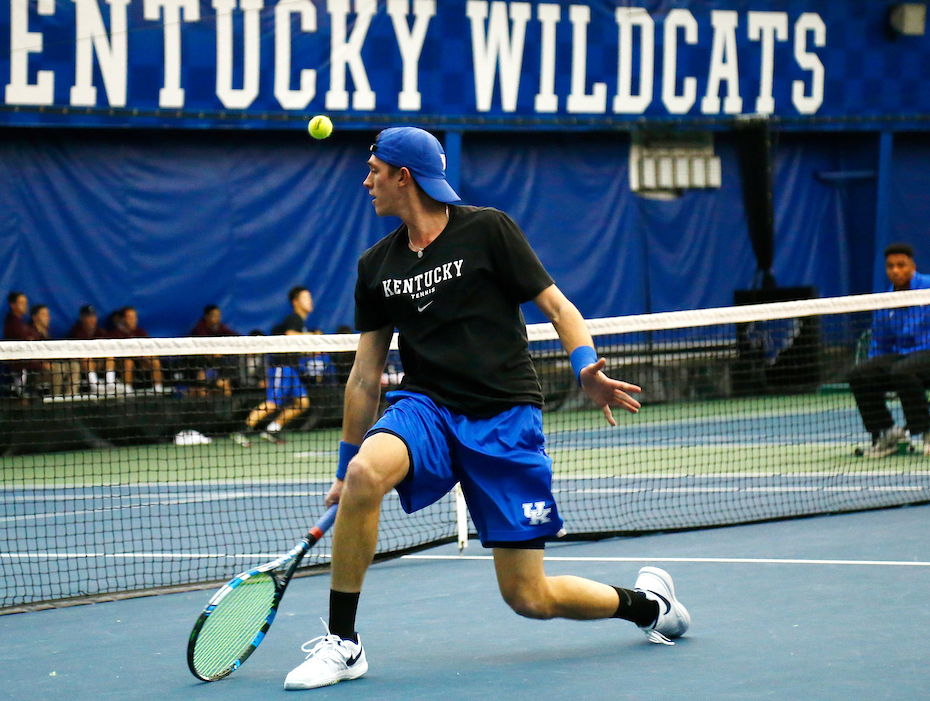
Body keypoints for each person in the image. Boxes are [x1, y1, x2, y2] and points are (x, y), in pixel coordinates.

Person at [282, 127, 689, 691]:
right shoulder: (375, 266)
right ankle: (344, 643)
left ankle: (647, 606)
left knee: (529, 596)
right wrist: (343, 467)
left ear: (404, 176)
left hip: (504, 418)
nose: (365, 180)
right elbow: (364, 376)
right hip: (426, 410)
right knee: (366, 473)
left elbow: (557, 304)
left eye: (374, 169)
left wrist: (585, 367)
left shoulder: (488, 229)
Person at [848, 243, 930, 458]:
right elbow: (880, 346)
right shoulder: (886, 302)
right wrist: (876, 376)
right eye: (890, 266)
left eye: (901, 265)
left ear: (912, 266)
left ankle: (929, 432)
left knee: (903, 369)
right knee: (859, 373)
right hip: (905, 361)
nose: (895, 271)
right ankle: (888, 433)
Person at [238, 287, 315, 446]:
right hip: (282, 368)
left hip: (292, 369)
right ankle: (242, 432)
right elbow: (289, 335)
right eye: (305, 297)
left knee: (302, 403)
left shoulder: (300, 322)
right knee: (273, 403)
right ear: (295, 302)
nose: (310, 301)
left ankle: (272, 429)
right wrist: (312, 337)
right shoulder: (294, 318)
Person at [109, 306, 163, 394]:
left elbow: (148, 348)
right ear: (123, 319)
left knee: (154, 360)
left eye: (135, 317)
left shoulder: (140, 332)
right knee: (128, 363)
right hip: (121, 361)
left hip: (140, 360)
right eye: (130, 317)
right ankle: (128, 389)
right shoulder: (115, 333)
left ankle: (158, 388)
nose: (134, 320)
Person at [188, 305, 241, 396]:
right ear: (207, 316)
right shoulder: (199, 329)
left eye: (218, 315)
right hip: (200, 363)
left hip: (219, 364)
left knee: (225, 384)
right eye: (214, 315)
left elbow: (233, 336)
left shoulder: (221, 328)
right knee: (201, 390)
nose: (217, 318)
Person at [30, 304, 76, 397]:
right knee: (58, 369)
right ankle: (56, 399)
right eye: (43, 314)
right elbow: (28, 357)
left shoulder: (46, 334)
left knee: (74, 366)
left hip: (52, 366)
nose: (47, 317)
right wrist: (42, 364)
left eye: (48, 315)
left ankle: (71, 397)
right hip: (36, 372)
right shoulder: (30, 334)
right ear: (35, 318)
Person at [67, 304, 114, 393]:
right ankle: (94, 385)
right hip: (83, 364)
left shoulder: (100, 331)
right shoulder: (76, 332)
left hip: (98, 362)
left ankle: (110, 383)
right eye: (88, 316)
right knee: (86, 358)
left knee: (110, 356)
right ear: (82, 318)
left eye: (93, 316)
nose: (92, 319)